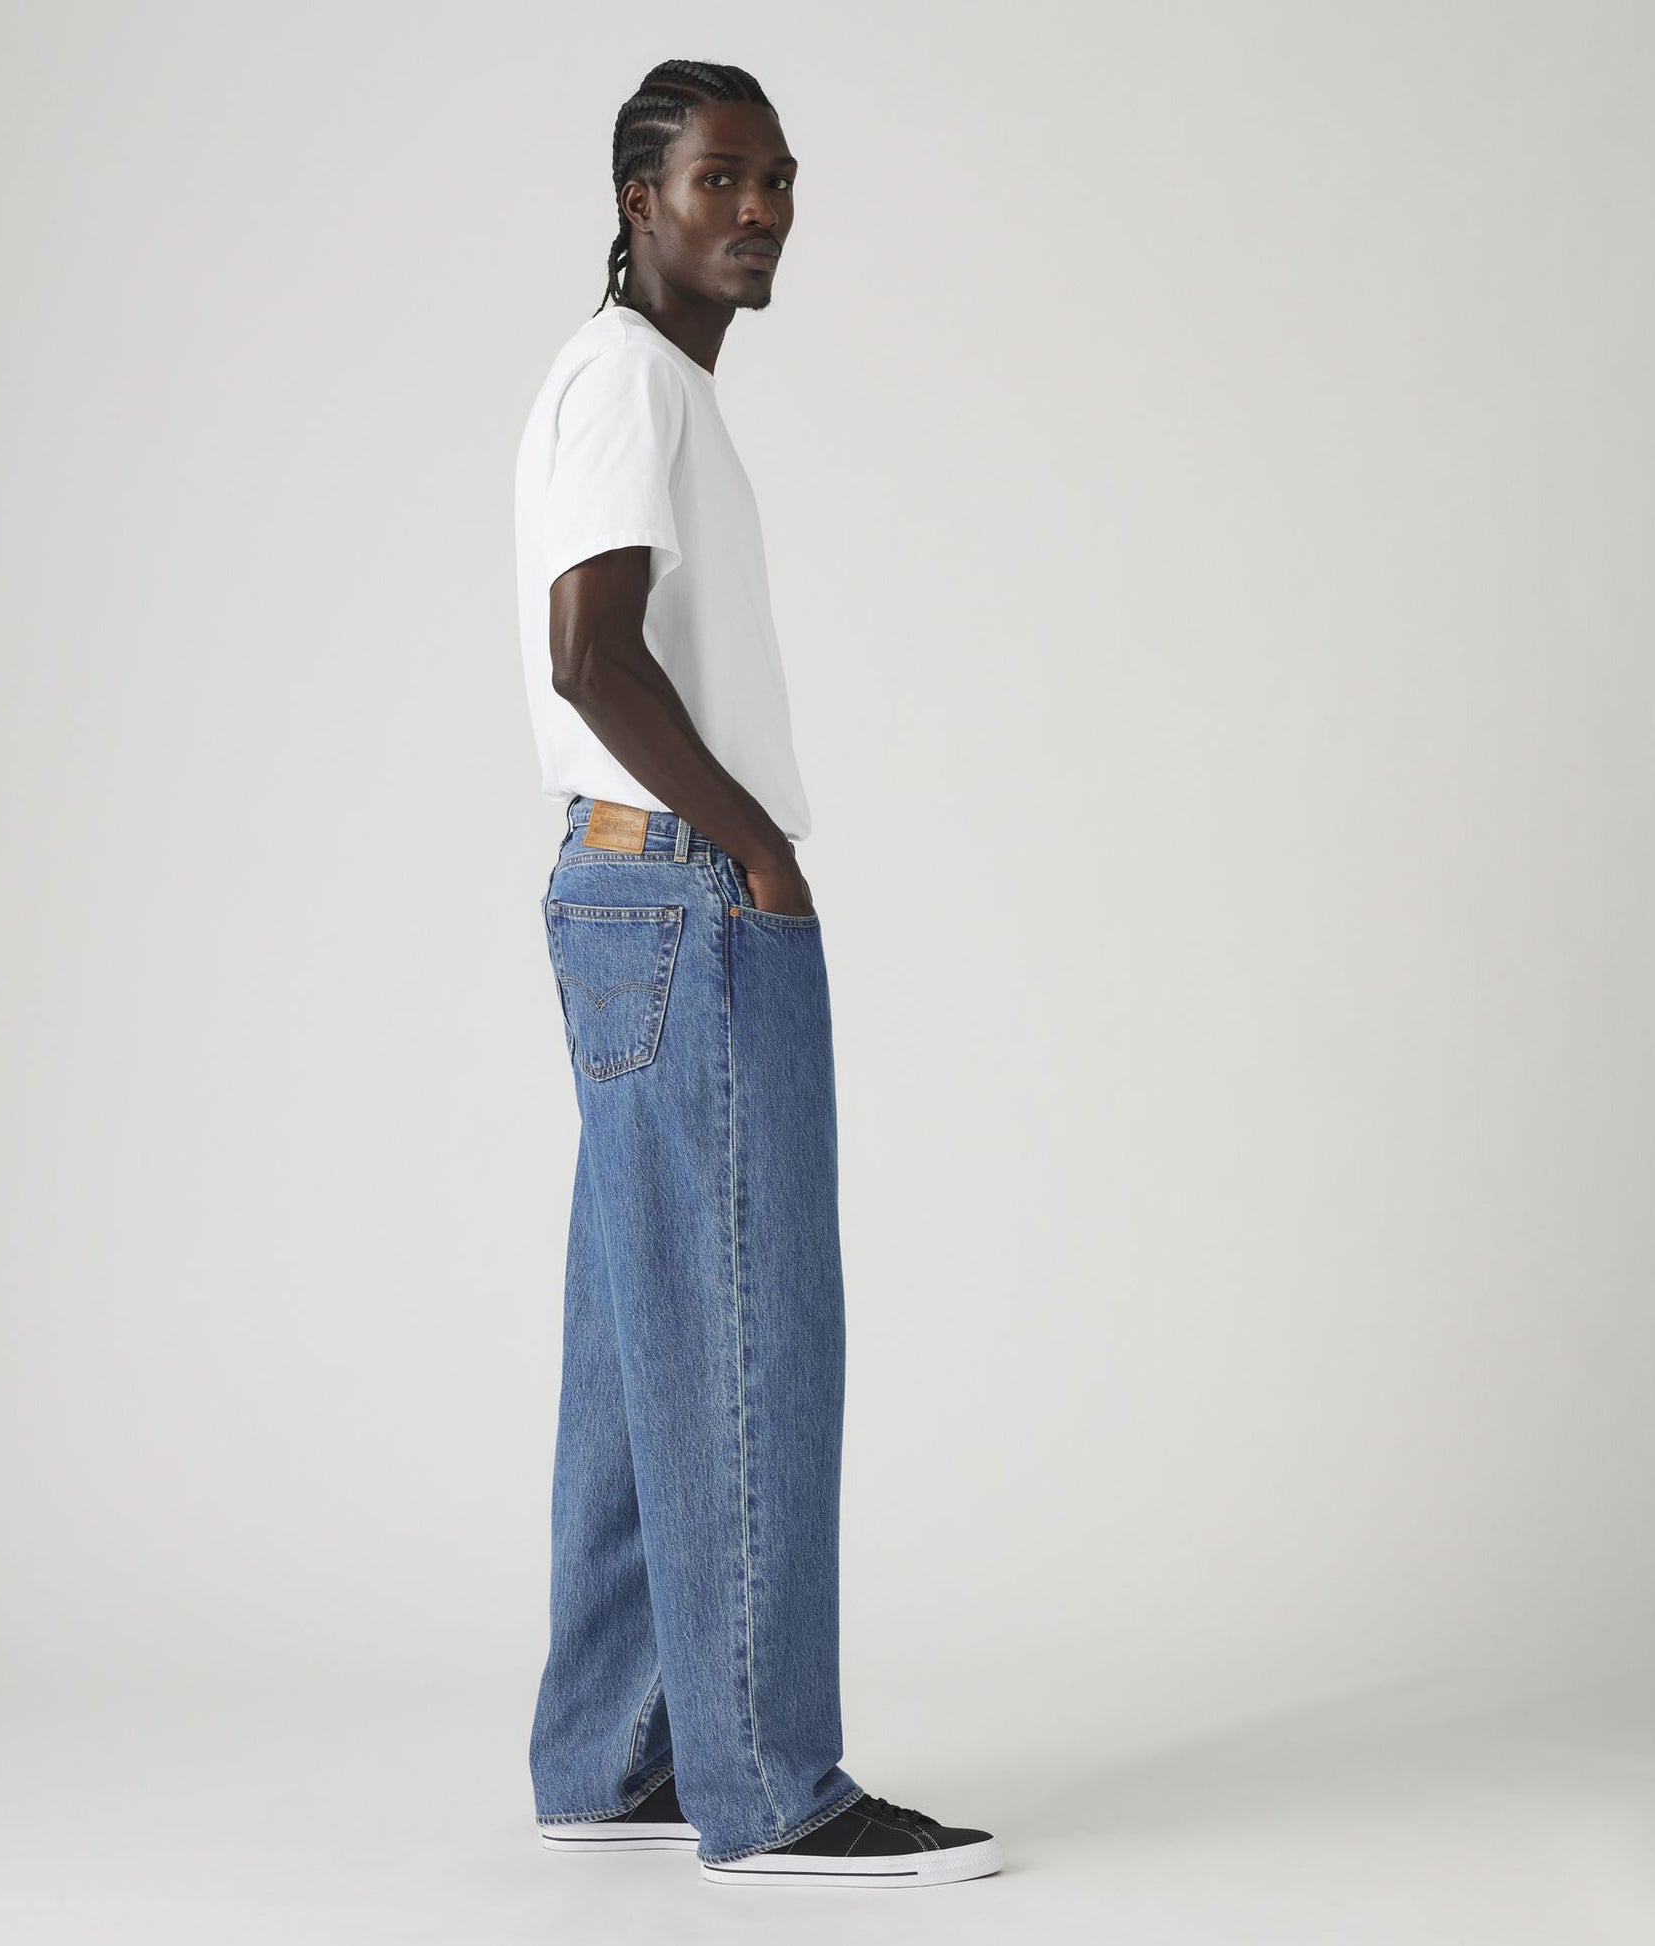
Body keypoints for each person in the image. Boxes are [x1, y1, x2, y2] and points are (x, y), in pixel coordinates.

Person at [511, 59, 1001, 1890]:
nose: (760, 210)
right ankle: (772, 1785)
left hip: (626, 889)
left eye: (779, 180)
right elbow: (590, 649)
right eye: (720, 178)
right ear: (637, 200)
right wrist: (760, 850)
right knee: (749, 1327)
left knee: (646, 1326)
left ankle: (612, 1748)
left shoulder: (634, 383)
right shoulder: (630, 380)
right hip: (685, 891)